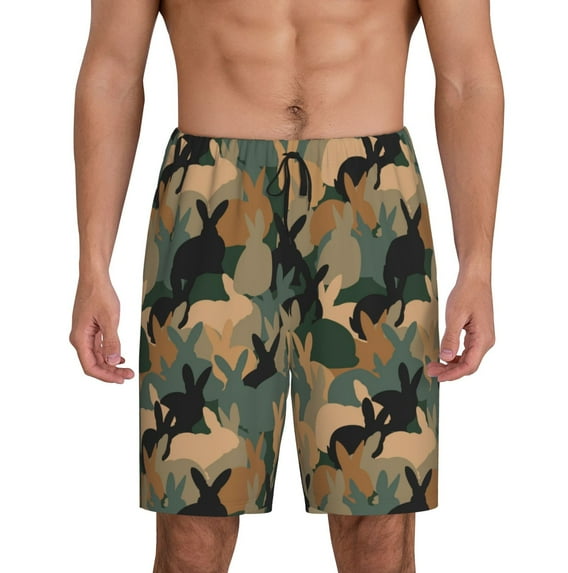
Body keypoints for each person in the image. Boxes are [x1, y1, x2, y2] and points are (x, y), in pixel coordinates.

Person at [69, 0, 502, 571]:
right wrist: (93, 266)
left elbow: (468, 76)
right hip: (211, 198)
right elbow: (112, 73)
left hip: (368, 201)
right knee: (192, 527)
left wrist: (477, 267)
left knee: (378, 522)